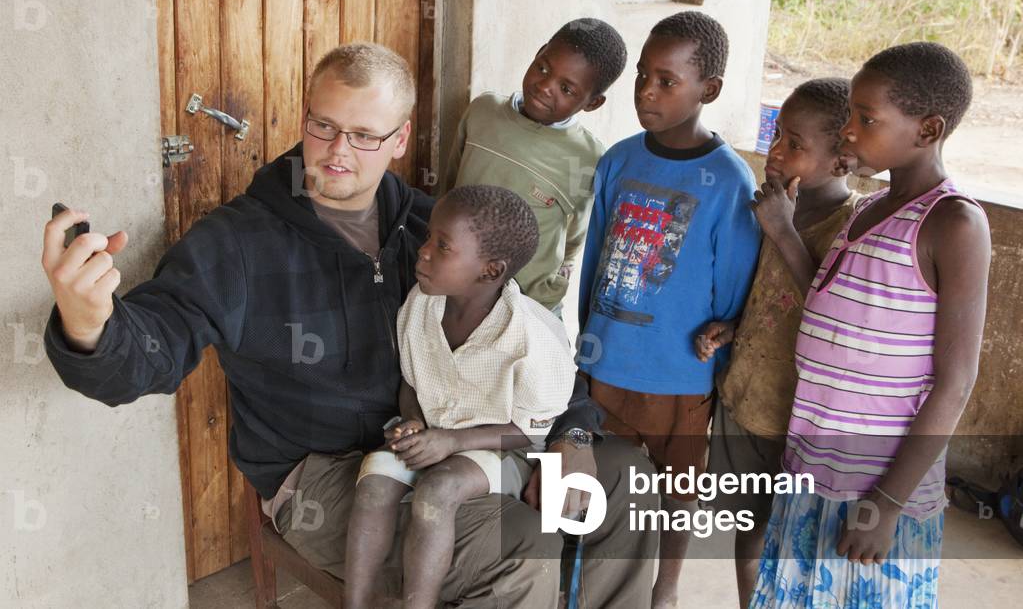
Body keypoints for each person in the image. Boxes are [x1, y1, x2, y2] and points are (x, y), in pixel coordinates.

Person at [41, 41, 656, 607]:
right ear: (305, 118)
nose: (338, 152)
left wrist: (572, 437)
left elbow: (525, 336)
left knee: (623, 477)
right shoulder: (236, 242)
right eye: (324, 126)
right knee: (515, 545)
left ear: (399, 138)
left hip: (446, 436)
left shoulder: (432, 228)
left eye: (365, 135)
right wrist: (90, 322)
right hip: (319, 475)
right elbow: (152, 348)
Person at [748, 42, 991, 608]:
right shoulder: (866, 209)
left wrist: (887, 502)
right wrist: (784, 233)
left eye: (866, 119)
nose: (849, 131)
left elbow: (955, 382)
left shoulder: (952, 223)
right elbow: (830, 308)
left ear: (927, 129)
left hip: (875, 484)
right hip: (813, 462)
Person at [576, 10, 761, 609]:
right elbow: (595, 257)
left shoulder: (728, 180)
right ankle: (574, 578)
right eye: (641, 77)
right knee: (588, 473)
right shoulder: (619, 160)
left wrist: (717, 353)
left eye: (666, 81)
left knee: (679, 485)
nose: (646, 93)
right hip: (605, 360)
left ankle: (668, 586)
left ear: (708, 91)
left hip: (679, 371)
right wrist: (584, 340)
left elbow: (732, 287)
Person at [344, 185, 575, 609]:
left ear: (490, 270)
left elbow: (531, 431)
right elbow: (411, 382)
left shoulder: (530, 338)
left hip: (506, 451)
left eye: (442, 246)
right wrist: (413, 420)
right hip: (436, 435)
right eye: (429, 237)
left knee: (439, 489)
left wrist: (452, 442)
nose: (424, 251)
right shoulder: (421, 305)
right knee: (375, 476)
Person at [693, 78, 859, 608]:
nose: (776, 153)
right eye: (777, 136)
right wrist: (736, 327)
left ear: (840, 162)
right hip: (745, 399)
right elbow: (769, 296)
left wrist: (785, 232)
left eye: (795, 145)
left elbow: (834, 317)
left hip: (800, 420)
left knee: (790, 537)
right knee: (749, 526)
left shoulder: (851, 228)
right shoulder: (771, 206)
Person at [443, 18, 627, 313]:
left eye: (566, 89)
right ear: (539, 52)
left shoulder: (588, 158)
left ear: (592, 103)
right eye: (542, 68)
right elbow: (449, 186)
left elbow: (576, 233)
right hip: (457, 286)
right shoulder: (483, 111)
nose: (544, 87)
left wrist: (563, 269)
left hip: (529, 304)